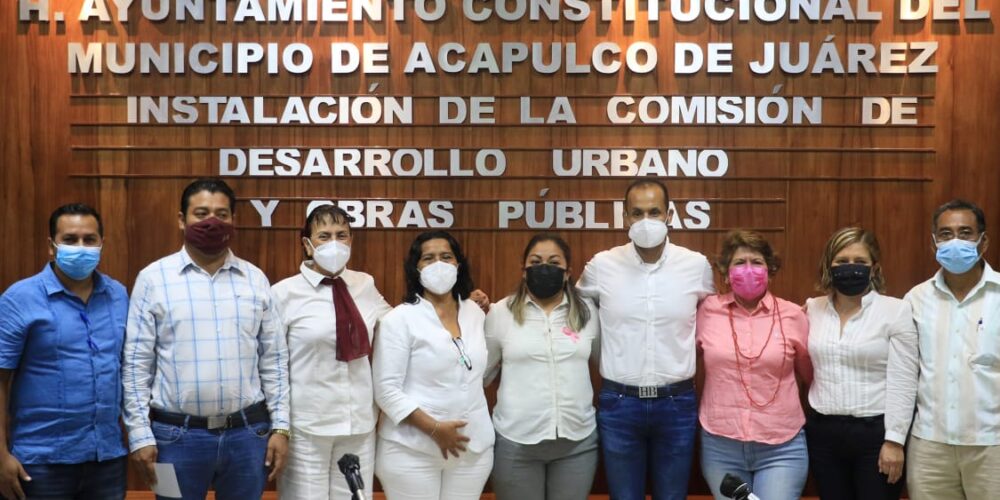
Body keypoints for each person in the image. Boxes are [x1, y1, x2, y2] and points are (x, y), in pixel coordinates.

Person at [123, 178, 291, 500]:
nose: (212, 222)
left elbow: (275, 360)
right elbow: (135, 366)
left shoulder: (255, 279)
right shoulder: (152, 279)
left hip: (248, 437)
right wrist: (140, 435)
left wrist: (281, 427)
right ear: (181, 220)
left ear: (233, 221)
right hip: (171, 440)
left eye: (221, 214)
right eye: (201, 213)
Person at [577, 178, 715, 500]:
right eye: (637, 213)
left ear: (669, 215)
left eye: (654, 211)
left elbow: (718, 313)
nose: (645, 221)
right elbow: (572, 309)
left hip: (677, 404)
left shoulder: (695, 266)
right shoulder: (602, 265)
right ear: (625, 217)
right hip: (619, 404)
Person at [0, 204, 128, 500]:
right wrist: (1, 455)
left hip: (106, 459)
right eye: (70, 240)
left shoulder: (118, 295)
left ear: (101, 244)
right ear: (51, 246)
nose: (81, 247)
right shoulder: (20, 298)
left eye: (89, 239)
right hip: (41, 462)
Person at [272, 204, 392, 500]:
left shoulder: (365, 284)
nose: (334, 242)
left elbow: (397, 325)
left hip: (359, 423)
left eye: (342, 235)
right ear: (307, 244)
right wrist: (279, 427)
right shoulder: (283, 293)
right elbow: (271, 365)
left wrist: (455, 305)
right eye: (324, 236)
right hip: (306, 428)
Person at [373, 231, 494, 500]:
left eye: (446, 257)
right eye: (428, 258)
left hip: (472, 448)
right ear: (415, 268)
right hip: (411, 450)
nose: (438, 264)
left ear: (458, 264)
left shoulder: (474, 312)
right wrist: (435, 429)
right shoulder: (399, 319)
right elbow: (386, 390)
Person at [696, 230, 812, 500]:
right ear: (725, 272)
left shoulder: (793, 315)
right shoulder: (706, 311)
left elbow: (809, 374)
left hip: (781, 447)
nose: (748, 270)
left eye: (757, 262)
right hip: (721, 445)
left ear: (770, 270)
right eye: (739, 262)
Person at [805, 227, 918, 500]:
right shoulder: (812, 309)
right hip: (823, 434)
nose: (850, 268)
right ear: (828, 266)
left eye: (860, 262)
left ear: (874, 267)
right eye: (841, 262)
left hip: (875, 436)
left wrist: (894, 440)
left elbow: (904, 381)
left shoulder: (895, 310)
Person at [485, 233, 600, 500]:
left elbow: (604, 363)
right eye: (535, 262)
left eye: (553, 262)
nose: (543, 268)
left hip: (577, 442)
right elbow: (482, 374)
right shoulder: (501, 313)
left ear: (567, 272)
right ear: (524, 271)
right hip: (516, 442)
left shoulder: (587, 312)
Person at [904, 199, 1000, 499]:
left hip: (992, 445)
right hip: (930, 446)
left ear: (983, 241)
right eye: (945, 234)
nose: (954, 240)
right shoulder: (916, 299)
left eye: (965, 232)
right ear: (934, 242)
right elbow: (905, 373)